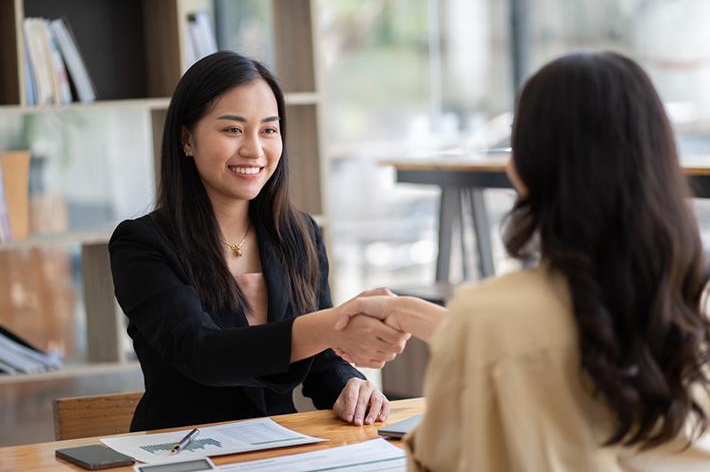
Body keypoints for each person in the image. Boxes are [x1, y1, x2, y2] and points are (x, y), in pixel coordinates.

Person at [335, 52, 710, 471]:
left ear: (522, 170)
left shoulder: (489, 318)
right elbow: (563, 339)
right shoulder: (693, 299)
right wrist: (409, 312)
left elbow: (441, 459)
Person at [109, 51, 409, 432]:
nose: (254, 149)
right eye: (233, 130)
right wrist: (332, 324)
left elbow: (320, 360)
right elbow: (202, 354)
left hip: (283, 450)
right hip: (184, 455)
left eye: (268, 129)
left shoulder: (298, 233)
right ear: (187, 139)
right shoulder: (142, 245)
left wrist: (348, 385)